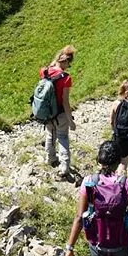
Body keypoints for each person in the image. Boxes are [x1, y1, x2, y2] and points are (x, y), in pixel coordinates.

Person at [41, 44, 76, 179]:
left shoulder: (44, 71)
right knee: (62, 137)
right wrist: (71, 121)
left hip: (47, 112)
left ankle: (50, 158)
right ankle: (64, 167)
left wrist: (56, 60)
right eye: (69, 64)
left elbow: (50, 67)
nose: (68, 67)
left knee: (50, 134)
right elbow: (65, 102)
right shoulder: (66, 78)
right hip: (60, 113)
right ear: (66, 61)